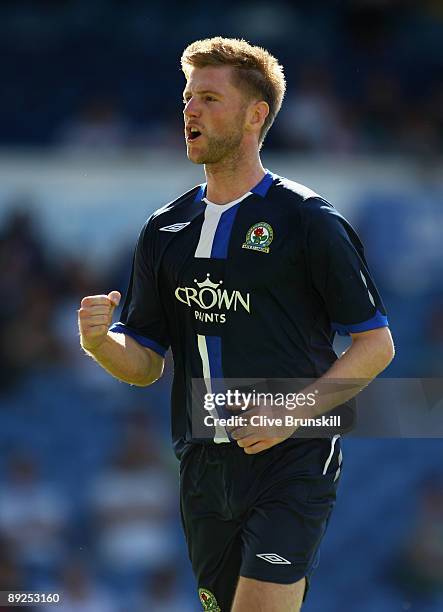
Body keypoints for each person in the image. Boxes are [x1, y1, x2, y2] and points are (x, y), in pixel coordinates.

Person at [78, 37, 395, 612]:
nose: (190, 112)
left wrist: (288, 414)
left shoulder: (309, 220)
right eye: (186, 99)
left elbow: (376, 345)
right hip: (202, 465)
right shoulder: (164, 229)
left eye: (208, 98)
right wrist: (101, 343)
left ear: (256, 116)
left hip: (294, 452)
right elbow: (146, 362)